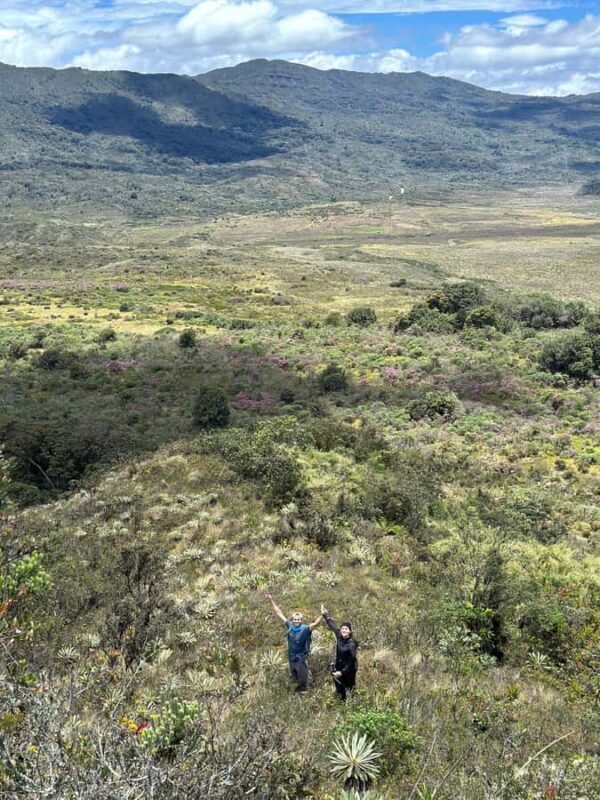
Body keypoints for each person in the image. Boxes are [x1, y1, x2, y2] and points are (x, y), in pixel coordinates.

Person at [266, 593, 322, 693]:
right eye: (295, 619)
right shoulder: (290, 626)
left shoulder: (305, 629)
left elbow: (315, 624)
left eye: (298, 619)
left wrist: (323, 615)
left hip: (301, 659)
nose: (296, 621)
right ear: (293, 620)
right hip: (291, 658)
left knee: (303, 679)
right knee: (295, 678)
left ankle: (305, 692)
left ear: (301, 620)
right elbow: (279, 613)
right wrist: (271, 601)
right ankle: (297, 693)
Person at [321, 603, 358, 701]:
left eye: (346, 629)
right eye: (342, 628)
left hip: (349, 670)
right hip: (338, 667)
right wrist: (325, 615)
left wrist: (342, 672)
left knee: (350, 689)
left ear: (350, 631)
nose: (343, 630)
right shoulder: (339, 636)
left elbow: (352, 661)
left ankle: (353, 704)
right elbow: (332, 626)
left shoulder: (352, 644)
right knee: (340, 690)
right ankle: (341, 703)